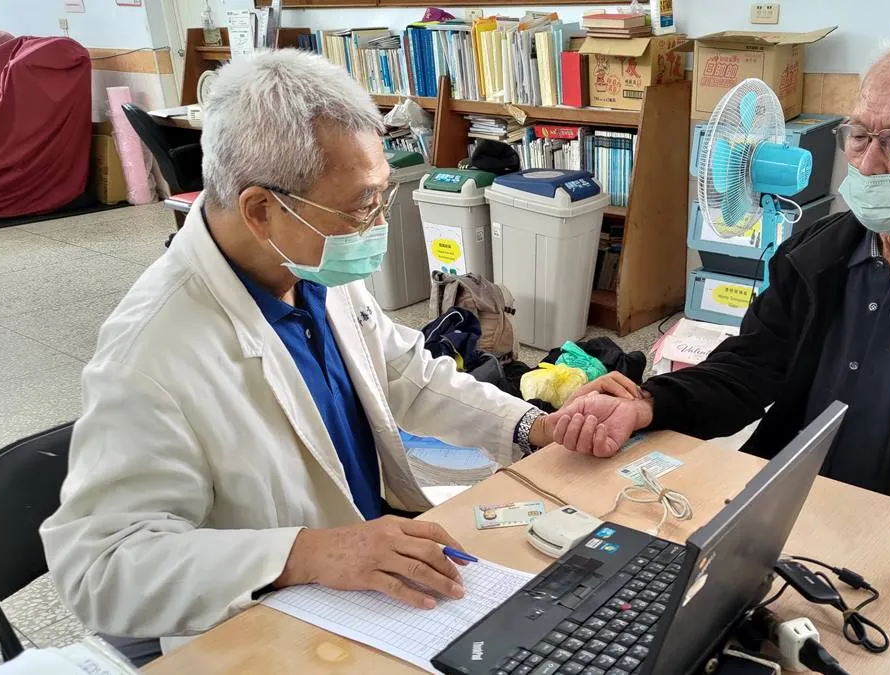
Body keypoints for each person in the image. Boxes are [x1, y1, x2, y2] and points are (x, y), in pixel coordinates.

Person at [552, 30, 890, 674]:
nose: (867, 165)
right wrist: (651, 403)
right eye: (859, 135)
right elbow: (749, 367)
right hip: (779, 537)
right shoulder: (819, 253)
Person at [40, 50, 555, 662]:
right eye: (361, 206)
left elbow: (406, 374)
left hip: (366, 586)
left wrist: (529, 425)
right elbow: (100, 570)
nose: (376, 225)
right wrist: (303, 552)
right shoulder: (151, 351)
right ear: (262, 210)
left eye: (382, 198)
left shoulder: (308, 266)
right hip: (262, 626)